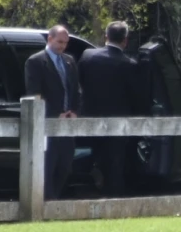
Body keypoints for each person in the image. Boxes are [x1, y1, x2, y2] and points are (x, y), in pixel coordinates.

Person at [77, 21, 143, 197]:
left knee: (92, 158)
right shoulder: (129, 64)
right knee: (115, 165)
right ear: (125, 40)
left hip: (88, 121)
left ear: (106, 36)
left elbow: (80, 84)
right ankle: (112, 198)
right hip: (117, 124)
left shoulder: (88, 55)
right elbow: (136, 97)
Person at [24, 25, 81, 200]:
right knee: (47, 166)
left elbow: (76, 90)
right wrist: (54, 114)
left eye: (65, 42)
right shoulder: (35, 61)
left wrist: (75, 111)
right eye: (59, 42)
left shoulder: (69, 61)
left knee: (65, 166)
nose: (62, 46)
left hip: (67, 124)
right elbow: (34, 92)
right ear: (50, 39)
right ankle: (47, 203)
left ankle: (54, 199)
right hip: (46, 124)